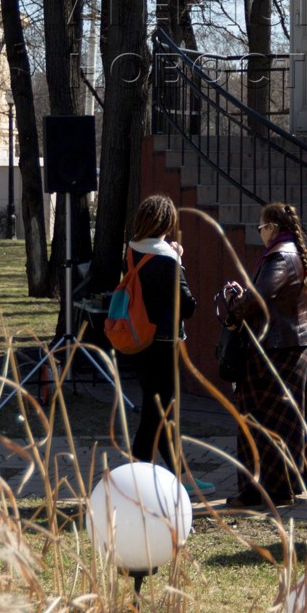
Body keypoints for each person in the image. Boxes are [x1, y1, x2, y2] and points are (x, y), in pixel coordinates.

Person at [225, 202, 307, 506]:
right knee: (290, 421)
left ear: (273, 228)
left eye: (261, 227)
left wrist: (234, 305)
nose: (260, 233)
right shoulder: (292, 252)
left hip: (276, 350)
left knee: (262, 421)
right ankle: (295, 481)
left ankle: (264, 490)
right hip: (290, 346)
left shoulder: (280, 255)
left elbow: (259, 297)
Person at [123, 195, 199, 476]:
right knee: (158, 411)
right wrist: (179, 261)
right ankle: (137, 472)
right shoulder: (166, 260)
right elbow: (188, 306)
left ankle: (179, 474)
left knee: (161, 410)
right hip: (164, 344)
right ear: (166, 223)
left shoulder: (132, 252)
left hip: (138, 339)